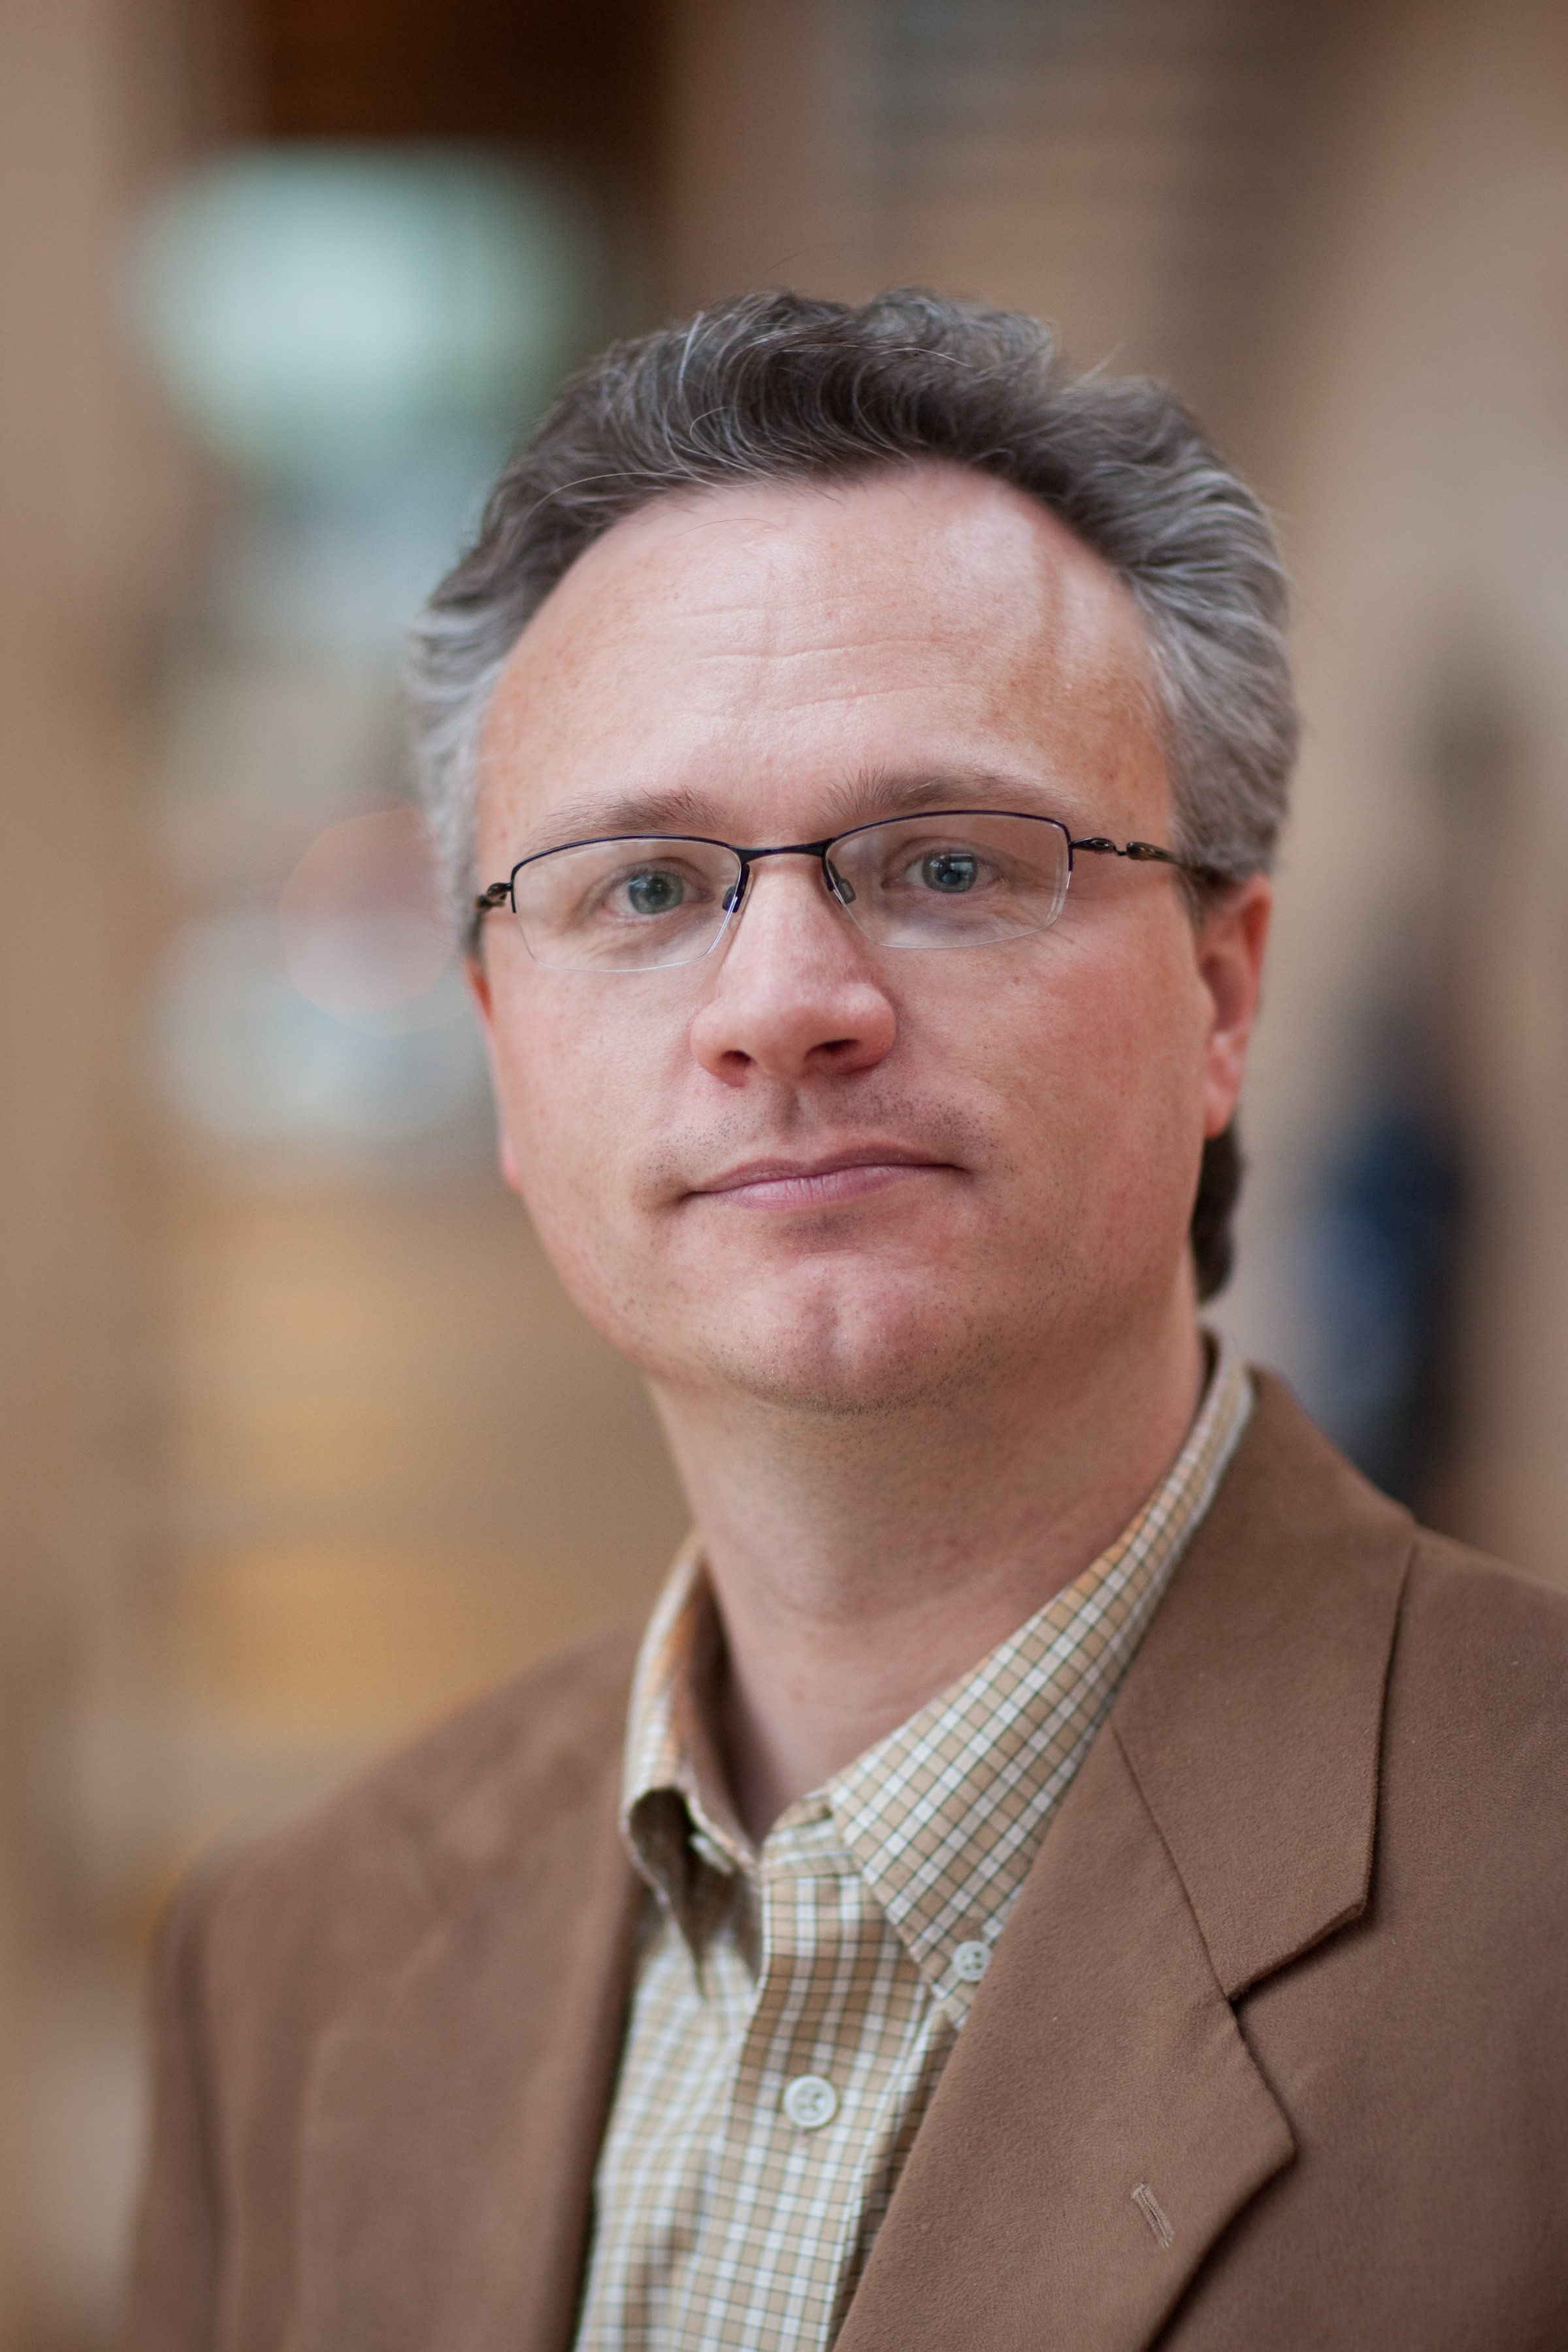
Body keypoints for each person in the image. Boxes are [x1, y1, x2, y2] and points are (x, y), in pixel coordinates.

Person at [121, 292, 1568, 2352]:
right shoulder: (284, 1965)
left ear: (1223, 997)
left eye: (951, 864)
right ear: (505, 1048)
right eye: (643, 889)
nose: (784, 1002)